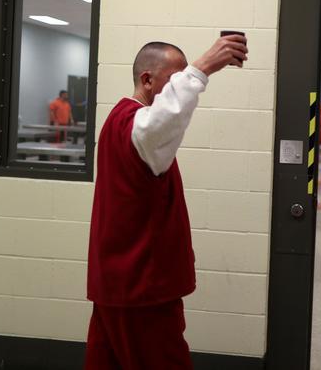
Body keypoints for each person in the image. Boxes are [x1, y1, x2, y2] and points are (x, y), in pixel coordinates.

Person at [85, 35, 249, 370]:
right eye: (172, 79)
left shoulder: (119, 122)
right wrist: (200, 69)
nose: (178, 86)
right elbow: (166, 116)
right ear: (147, 79)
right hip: (142, 289)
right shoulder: (138, 129)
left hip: (117, 284)